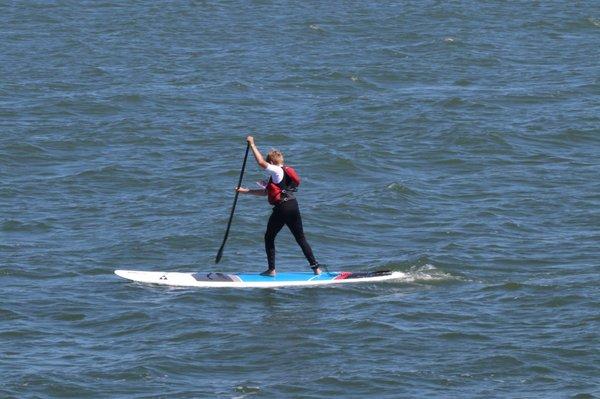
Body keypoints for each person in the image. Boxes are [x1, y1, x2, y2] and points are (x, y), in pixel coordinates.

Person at [237, 136, 321, 277]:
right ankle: (316, 269)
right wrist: (246, 191)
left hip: (283, 208)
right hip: (293, 205)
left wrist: (252, 145)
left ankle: (271, 270)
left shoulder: (277, 171)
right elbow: (266, 192)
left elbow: (261, 163)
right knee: (300, 238)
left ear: (272, 162)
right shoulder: (283, 174)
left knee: (269, 237)